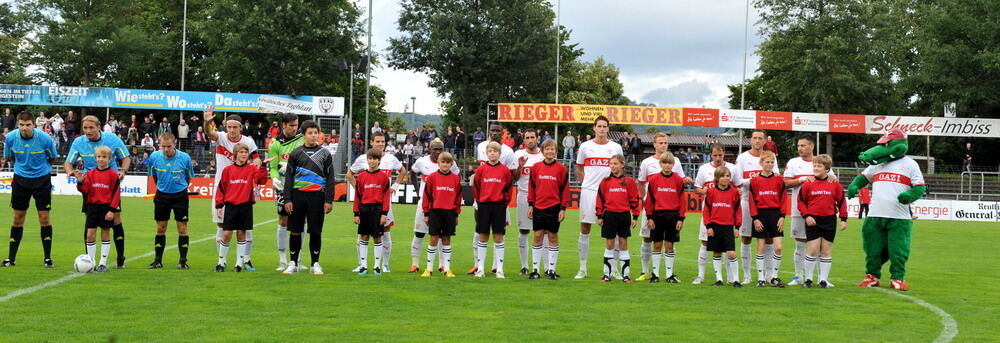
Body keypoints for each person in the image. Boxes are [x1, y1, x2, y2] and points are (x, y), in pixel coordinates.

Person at [64, 115, 131, 269]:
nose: (87, 131)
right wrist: (70, 172)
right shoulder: (79, 142)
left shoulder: (112, 139)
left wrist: (123, 171)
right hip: (90, 186)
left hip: (110, 186)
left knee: (115, 221)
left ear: (98, 127)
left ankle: (120, 258)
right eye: (85, 128)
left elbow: (126, 158)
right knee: (90, 224)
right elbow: (69, 162)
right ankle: (89, 260)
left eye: (91, 128)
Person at [203, 105, 260, 270]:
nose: (232, 130)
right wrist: (207, 122)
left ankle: (245, 259)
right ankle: (221, 260)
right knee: (221, 225)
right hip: (223, 186)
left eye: (235, 127)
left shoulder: (248, 141)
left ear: (241, 127)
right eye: (229, 127)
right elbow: (209, 133)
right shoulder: (221, 137)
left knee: (245, 227)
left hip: (242, 188)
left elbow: (256, 158)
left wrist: (256, 166)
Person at [2, 112, 58, 268]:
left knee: (44, 218)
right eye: (21, 124)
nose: (24, 128)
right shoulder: (11, 138)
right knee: (18, 218)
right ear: (18, 124)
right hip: (20, 179)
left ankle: (47, 259)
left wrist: (40, 169)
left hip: (41, 180)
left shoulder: (45, 139)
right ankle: (11, 259)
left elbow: (52, 158)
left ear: (34, 124)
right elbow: (10, 157)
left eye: (28, 125)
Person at [346, 131, 407, 273]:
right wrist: (360, 189)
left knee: (385, 231)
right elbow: (349, 174)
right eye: (378, 141)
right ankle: (361, 264)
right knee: (363, 233)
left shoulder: (391, 158)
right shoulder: (363, 158)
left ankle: (384, 264)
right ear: (372, 143)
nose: (380, 144)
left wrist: (395, 186)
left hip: (383, 204)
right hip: (367, 204)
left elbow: (403, 171)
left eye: (383, 142)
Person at [635, 133, 692, 281]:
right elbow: (641, 183)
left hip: (671, 210)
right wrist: (646, 200)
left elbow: (679, 182)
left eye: (665, 142)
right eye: (660, 142)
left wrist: (686, 180)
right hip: (652, 209)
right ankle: (645, 271)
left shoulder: (676, 161)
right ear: (654, 144)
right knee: (648, 239)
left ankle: (669, 272)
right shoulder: (647, 162)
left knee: (669, 242)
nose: (663, 145)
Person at [281, 121, 335, 275]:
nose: (313, 136)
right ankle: (293, 263)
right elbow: (289, 178)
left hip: (317, 196)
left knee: (315, 231)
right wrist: (287, 199)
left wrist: (329, 200)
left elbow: (330, 178)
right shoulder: (296, 153)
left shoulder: (325, 153)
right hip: (298, 195)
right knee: (295, 230)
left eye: (315, 133)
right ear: (303, 135)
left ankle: (315, 264)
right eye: (310, 133)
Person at [783, 135, 836, 286]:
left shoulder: (821, 163)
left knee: (820, 246)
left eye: (803, 145)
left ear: (812, 146)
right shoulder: (793, 163)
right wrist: (801, 179)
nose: (800, 148)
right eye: (798, 145)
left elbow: (833, 182)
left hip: (820, 214)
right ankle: (799, 276)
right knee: (800, 243)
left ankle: (822, 279)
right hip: (798, 210)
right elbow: (785, 183)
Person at [575, 116, 624, 279]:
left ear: (608, 129)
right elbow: (579, 168)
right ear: (594, 128)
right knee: (585, 229)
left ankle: (614, 269)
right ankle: (582, 268)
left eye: (605, 126)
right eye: (599, 126)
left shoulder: (616, 147)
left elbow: (619, 170)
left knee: (614, 232)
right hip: (589, 192)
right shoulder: (585, 146)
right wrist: (586, 184)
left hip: (610, 193)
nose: (602, 129)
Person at [471, 123, 519, 275]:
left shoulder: (505, 169)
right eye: (490, 152)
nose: (492, 154)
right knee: (482, 235)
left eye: (495, 152)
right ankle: (480, 269)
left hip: (499, 206)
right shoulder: (481, 169)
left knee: (499, 236)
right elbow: (476, 187)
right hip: (484, 204)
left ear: (499, 154)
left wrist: (503, 203)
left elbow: (508, 187)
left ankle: (499, 269)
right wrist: (480, 201)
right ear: (486, 153)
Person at [214, 143, 269, 272]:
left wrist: (263, 166)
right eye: (241, 152)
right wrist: (219, 204)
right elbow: (221, 188)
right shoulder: (228, 170)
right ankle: (221, 262)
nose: (244, 154)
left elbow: (262, 180)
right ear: (235, 154)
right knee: (226, 234)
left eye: (246, 152)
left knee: (241, 234)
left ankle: (239, 264)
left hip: (245, 206)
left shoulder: (251, 169)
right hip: (231, 206)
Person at [408, 141, 459, 273]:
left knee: (442, 236)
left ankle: (442, 265)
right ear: (429, 149)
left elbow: (456, 180)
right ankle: (415, 263)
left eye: (440, 149)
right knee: (419, 233)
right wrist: (417, 189)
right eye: (435, 149)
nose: (437, 152)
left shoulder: (448, 162)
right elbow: (412, 172)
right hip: (425, 204)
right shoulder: (422, 161)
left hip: (444, 206)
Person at [797, 154, 848, 288]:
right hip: (812, 220)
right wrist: (807, 216)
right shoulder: (808, 184)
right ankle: (808, 279)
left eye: (819, 166)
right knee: (812, 250)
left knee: (826, 250)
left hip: (829, 220)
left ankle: (823, 280)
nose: (816, 168)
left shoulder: (834, 184)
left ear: (827, 169)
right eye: (814, 165)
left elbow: (842, 202)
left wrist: (844, 219)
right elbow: (801, 202)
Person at [146, 133, 195, 269]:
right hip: (162, 196)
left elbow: (188, 178)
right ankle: (158, 260)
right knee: (161, 228)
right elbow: (154, 176)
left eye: (169, 146)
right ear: (159, 145)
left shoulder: (185, 158)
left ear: (175, 143)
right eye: (163, 146)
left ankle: (183, 261)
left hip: (180, 196)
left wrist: (180, 188)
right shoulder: (154, 157)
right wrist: (162, 188)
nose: (166, 149)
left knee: (182, 229)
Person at [691, 144, 736, 284]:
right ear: (711, 155)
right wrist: (705, 191)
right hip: (710, 213)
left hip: (726, 215)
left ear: (724, 154)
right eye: (715, 155)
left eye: (720, 155)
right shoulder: (704, 168)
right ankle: (701, 275)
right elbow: (697, 188)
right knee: (704, 242)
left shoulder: (732, 168)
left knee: (728, 247)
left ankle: (730, 277)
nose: (717, 158)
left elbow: (738, 186)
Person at [526, 139, 568, 280]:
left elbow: (564, 190)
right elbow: (531, 187)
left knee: (552, 237)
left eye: (552, 149)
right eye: (547, 149)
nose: (550, 151)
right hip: (538, 206)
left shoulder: (561, 168)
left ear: (556, 151)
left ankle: (551, 270)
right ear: (543, 151)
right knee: (537, 236)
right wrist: (531, 205)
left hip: (554, 207)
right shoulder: (536, 167)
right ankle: (536, 270)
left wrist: (563, 208)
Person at [595, 155, 641, 283]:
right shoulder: (605, 181)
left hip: (624, 216)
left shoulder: (629, 181)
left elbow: (634, 200)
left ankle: (626, 275)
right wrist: (599, 215)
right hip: (609, 215)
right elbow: (600, 199)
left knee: (623, 244)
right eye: (611, 164)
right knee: (609, 244)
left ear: (622, 165)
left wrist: (635, 216)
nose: (613, 166)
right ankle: (606, 274)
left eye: (615, 163)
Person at [643, 152, 686, 283]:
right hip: (657, 216)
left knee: (669, 245)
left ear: (673, 164)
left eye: (670, 163)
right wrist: (649, 217)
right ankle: (655, 275)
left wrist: (680, 218)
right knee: (656, 245)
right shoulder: (654, 179)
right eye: (664, 163)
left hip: (673, 216)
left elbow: (682, 200)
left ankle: (669, 275)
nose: (667, 165)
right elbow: (649, 199)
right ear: (660, 164)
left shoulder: (678, 180)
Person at [77, 146, 122, 273]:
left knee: (105, 233)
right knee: (90, 234)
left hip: (106, 208)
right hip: (92, 207)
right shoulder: (90, 174)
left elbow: (116, 194)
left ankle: (103, 263)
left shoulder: (113, 175)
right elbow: (85, 190)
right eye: (99, 157)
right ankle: (91, 262)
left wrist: (112, 210)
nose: (101, 159)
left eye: (104, 157)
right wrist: (80, 182)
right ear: (95, 158)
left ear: (109, 159)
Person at [267, 114, 302, 271]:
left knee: (303, 220)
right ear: (283, 125)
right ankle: (282, 260)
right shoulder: (275, 143)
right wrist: (274, 179)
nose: (294, 128)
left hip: (301, 185)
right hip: (283, 186)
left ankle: (298, 259)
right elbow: (273, 167)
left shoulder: (302, 139)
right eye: (291, 125)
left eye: (296, 125)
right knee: (283, 220)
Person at [734, 129, 769, 284]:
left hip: (766, 205)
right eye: (755, 138)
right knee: (746, 238)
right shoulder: (742, 158)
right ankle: (747, 275)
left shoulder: (768, 157)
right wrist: (753, 180)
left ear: (765, 141)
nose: (757, 141)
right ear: (750, 140)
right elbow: (737, 180)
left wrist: (760, 180)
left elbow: (774, 179)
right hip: (747, 203)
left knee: (767, 239)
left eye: (760, 138)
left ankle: (767, 275)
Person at [420, 152, 462, 278]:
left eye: (448, 162)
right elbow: (426, 196)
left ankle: (447, 269)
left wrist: (456, 214)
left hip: (449, 213)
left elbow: (458, 198)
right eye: (443, 162)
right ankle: (429, 268)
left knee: (447, 239)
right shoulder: (432, 177)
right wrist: (426, 213)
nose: (445, 164)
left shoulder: (455, 178)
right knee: (433, 239)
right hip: (435, 212)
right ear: (439, 163)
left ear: (451, 164)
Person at [748, 151, 787, 287]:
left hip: (775, 215)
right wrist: (755, 218)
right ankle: (761, 278)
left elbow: (783, 199)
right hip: (761, 215)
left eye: (772, 162)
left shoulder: (779, 180)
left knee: (778, 247)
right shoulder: (754, 180)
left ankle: (774, 277)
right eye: (767, 162)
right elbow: (751, 201)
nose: (769, 164)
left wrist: (782, 216)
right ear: (761, 163)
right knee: (760, 247)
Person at [354, 148, 393, 275]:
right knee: (364, 237)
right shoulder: (361, 177)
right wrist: (356, 213)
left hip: (377, 210)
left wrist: (384, 214)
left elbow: (386, 197)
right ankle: (363, 266)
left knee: (377, 237)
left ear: (379, 161)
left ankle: (377, 266)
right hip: (364, 209)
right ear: (367, 160)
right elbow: (357, 196)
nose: (372, 161)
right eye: (370, 159)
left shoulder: (384, 177)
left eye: (375, 159)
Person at [703, 166, 742, 287]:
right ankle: (719, 279)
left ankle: (736, 280)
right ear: (717, 178)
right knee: (717, 253)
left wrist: (737, 227)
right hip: (714, 226)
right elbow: (707, 210)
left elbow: (737, 210)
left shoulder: (734, 192)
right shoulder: (711, 192)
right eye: (723, 176)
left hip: (728, 227)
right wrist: (708, 226)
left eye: (728, 176)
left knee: (731, 253)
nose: (726, 178)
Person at [512, 129, 545, 275]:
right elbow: (515, 178)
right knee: (524, 230)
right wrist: (520, 166)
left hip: (542, 197)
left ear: (537, 138)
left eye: (532, 137)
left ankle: (542, 267)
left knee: (542, 231)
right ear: (523, 140)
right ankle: (524, 266)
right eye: (527, 138)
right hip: (524, 196)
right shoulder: (518, 154)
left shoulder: (543, 155)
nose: (530, 140)